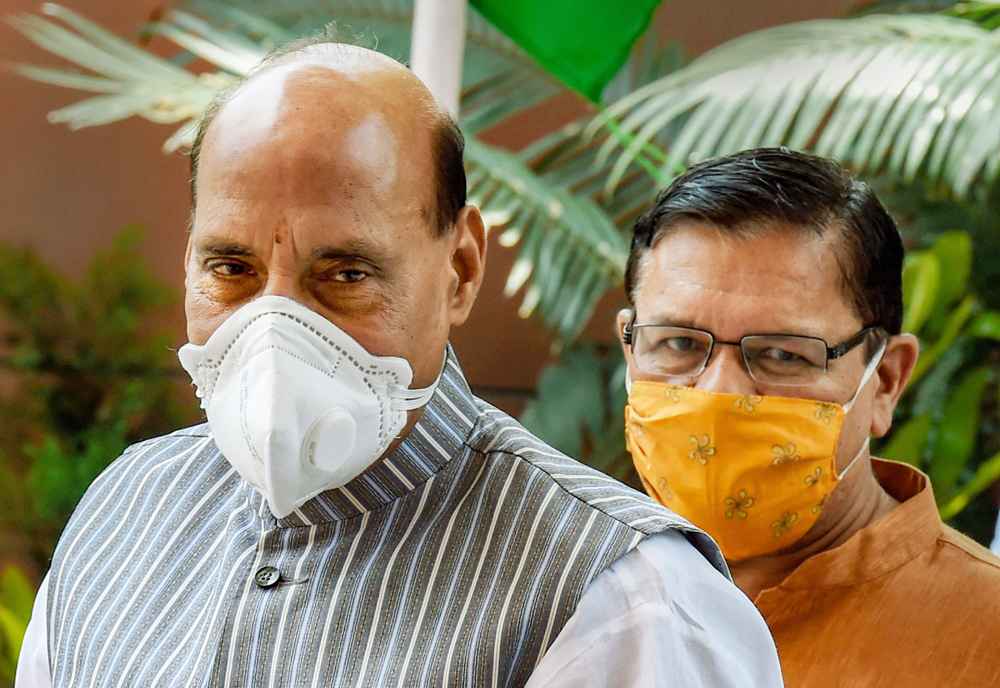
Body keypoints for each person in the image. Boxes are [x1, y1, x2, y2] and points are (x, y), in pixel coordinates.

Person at [15, 36, 783, 687]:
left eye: (345, 275)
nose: (274, 332)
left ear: (461, 270)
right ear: (187, 259)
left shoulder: (622, 601)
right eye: (232, 270)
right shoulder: (121, 516)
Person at [618, 147, 1000, 687]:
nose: (719, 390)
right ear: (630, 348)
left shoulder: (984, 638)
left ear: (886, 380)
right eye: (678, 343)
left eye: (783, 354)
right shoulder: (576, 590)